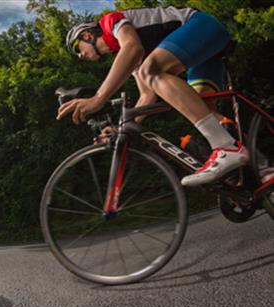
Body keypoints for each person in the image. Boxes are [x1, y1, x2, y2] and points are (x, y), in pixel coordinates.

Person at [57, 6, 250, 186]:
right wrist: (120, 129)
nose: (79, 56)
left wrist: (98, 99)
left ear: (87, 34)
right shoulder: (127, 56)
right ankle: (260, 167)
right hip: (205, 52)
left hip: (200, 26)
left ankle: (225, 147)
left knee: (149, 71)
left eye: (77, 48)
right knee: (201, 109)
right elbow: (148, 97)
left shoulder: (110, 23)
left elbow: (133, 48)